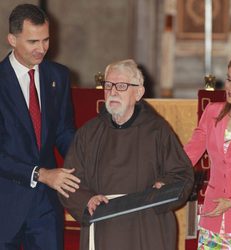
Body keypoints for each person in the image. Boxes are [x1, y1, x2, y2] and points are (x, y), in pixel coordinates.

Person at [60, 59, 194, 250]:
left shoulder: (157, 131)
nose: (113, 92)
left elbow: (181, 173)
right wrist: (87, 199)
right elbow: (69, 180)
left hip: (146, 224)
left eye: (121, 86)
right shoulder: (88, 133)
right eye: (108, 85)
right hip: (104, 223)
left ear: (138, 92)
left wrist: (164, 187)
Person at [0, 4, 80, 250]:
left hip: (45, 205)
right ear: (12, 39)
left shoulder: (58, 76)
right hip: (5, 203)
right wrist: (40, 174)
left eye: (46, 40)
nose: (42, 49)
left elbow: (64, 132)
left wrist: (87, 160)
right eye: (33, 41)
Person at [184, 50, 231, 249]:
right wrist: (165, 176)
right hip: (212, 218)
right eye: (229, 79)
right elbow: (189, 154)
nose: (230, 87)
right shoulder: (212, 112)